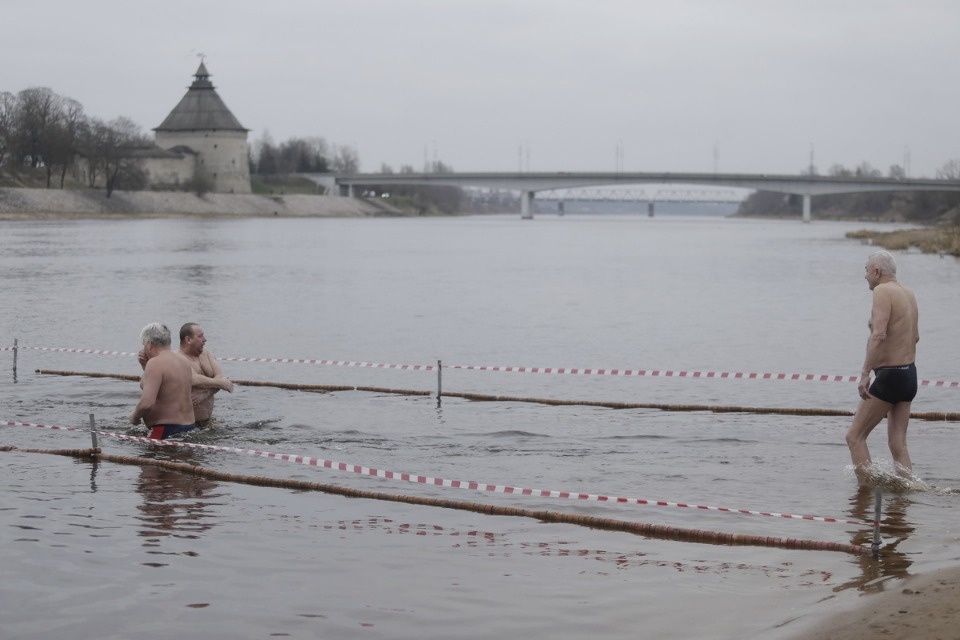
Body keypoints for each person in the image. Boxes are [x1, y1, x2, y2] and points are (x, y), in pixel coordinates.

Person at [845, 250, 920, 485]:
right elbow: (915, 337)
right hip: (909, 375)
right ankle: (904, 500)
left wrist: (865, 373)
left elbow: (879, 335)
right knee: (898, 443)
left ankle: (865, 496)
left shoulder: (882, 291)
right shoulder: (908, 293)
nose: (865, 276)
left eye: (866, 271)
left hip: (890, 377)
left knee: (854, 437)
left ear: (877, 272)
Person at [129, 322, 196, 440]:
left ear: (149, 344)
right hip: (189, 427)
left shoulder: (155, 363)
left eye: (143, 344)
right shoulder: (184, 361)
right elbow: (166, 388)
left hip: (165, 430)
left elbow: (146, 404)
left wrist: (134, 418)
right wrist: (145, 366)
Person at [178, 322, 234, 424]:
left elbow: (220, 376)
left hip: (207, 421)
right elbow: (193, 379)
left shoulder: (205, 352)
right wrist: (220, 383)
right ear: (188, 340)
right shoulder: (177, 357)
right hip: (186, 424)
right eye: (200, 336)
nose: (205, 339)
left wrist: (205, 394)